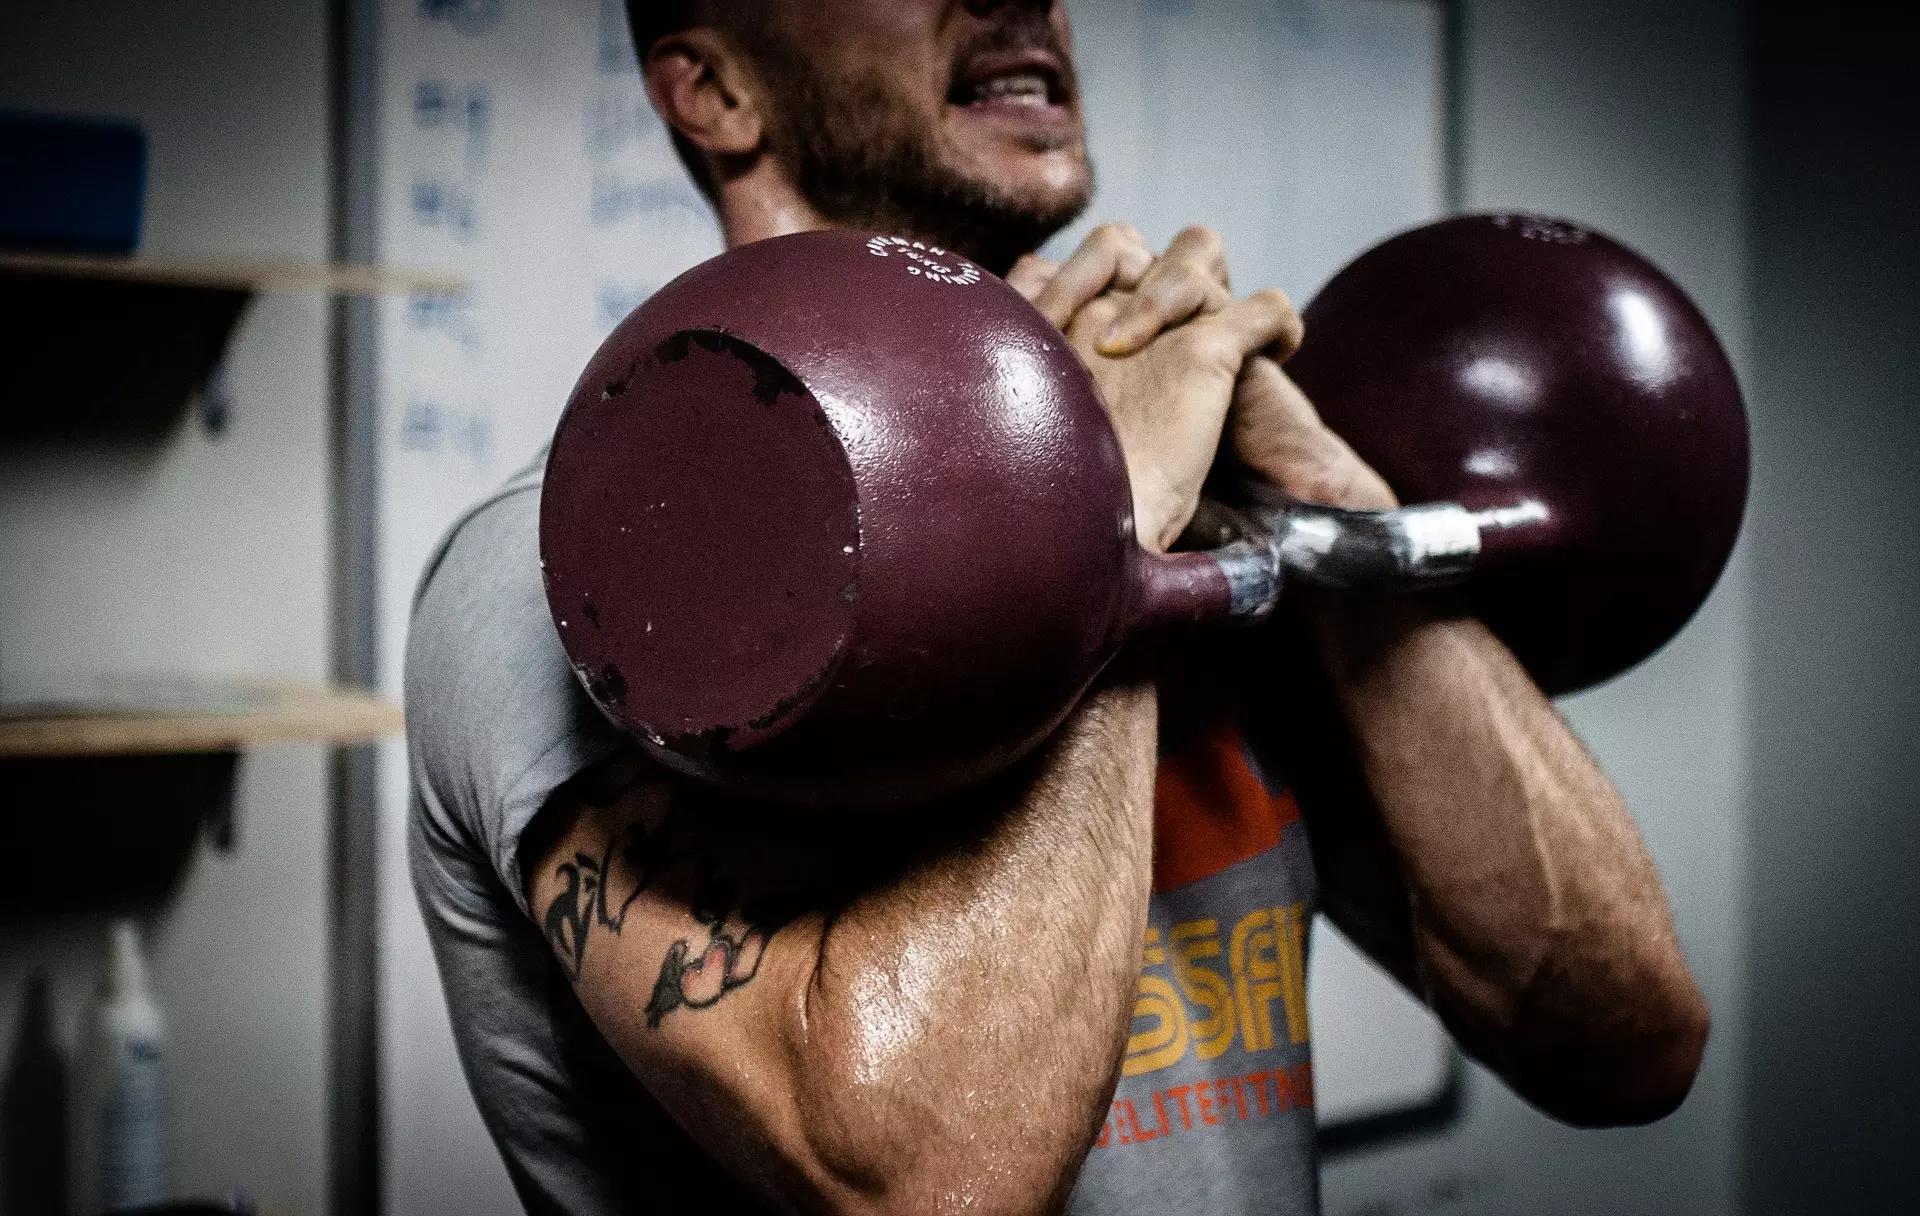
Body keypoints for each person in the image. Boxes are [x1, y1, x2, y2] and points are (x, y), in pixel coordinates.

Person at [404, 2, 1710, 1213]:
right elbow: (917, 1182)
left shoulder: (1211, 499)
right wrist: (1111, 551)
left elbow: (1623, 1045)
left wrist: (1331, 518)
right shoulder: (579, 583)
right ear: (716, 88)